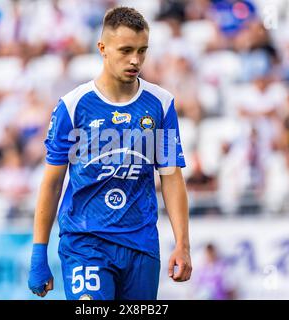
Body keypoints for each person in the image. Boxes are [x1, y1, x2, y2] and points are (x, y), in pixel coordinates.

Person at [28, 6, 192, 300]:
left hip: (141, 245)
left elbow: (170, 177)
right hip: (85, 241)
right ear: (102, 48)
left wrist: (183, 243)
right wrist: (39, 253)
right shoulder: (73, 106)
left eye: (142, 51)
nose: (135, 60)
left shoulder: (161, 104)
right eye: (126, 50)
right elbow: (52, 183)